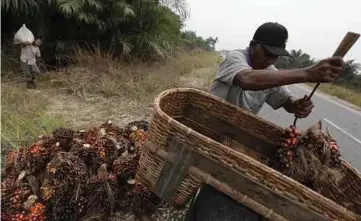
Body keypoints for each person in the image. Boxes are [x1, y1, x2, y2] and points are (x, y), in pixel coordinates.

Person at [184, 22, 344, 221]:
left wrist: (297, 106)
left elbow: (287, 101)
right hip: (210, 134)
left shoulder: (270, 71)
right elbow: (246, 79)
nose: (271, 60)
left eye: (276, 56)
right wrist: (307, 73)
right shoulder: (235, 58)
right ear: (252, 45)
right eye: (267, 53)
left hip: (236, 142)